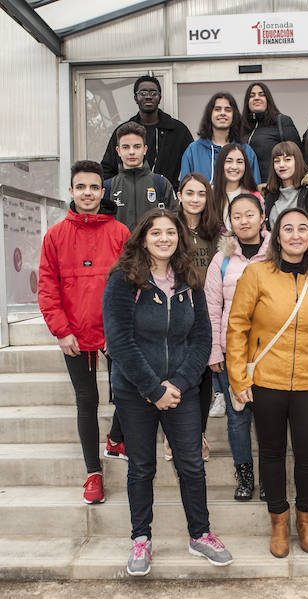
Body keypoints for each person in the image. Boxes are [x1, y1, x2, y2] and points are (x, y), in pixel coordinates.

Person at [103, 208, 233, 576]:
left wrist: (177, 383)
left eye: (171, 232)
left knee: (191, 464)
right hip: (136, 392)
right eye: (156, 232)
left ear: (180, 238)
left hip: (182, 389)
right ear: (143, 238)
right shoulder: (122, 281)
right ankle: (140, 539)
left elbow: (202, 337)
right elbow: (120, 342)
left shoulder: (189, 280)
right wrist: (152, 388)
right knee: (141, 467)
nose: (164, 238)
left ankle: (200, 534)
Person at [226, 207, 308, 558]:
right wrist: (238, 377)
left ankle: (305, 519)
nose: (295, 235)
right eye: (287, 229)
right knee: (272, 454)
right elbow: (237, 327)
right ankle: (279, 520)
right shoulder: (257, 273)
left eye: (302, 229)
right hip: (267, 380)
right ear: (276, 236)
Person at [38, 160, 131, 504]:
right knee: (87, 400)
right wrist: (61, 331)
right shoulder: (56, 236)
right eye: (81, 187)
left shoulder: (120, 233)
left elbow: (132, 282)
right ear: (71, 192)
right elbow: (47, 287)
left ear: (102, 191)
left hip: (114, 332)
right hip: (75, 335)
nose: (88, 193)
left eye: (94, 187)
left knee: (128, 390)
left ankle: (116, 439)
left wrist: (122, 327)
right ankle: (93, 473)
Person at [204, 193, 271, 501]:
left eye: (249, 214)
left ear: (262, 216)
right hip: (234, 351)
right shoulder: (222, 259)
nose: (244, 221)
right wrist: (215, 351)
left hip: (272, 351)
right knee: (237, 416)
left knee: (271, 415)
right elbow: (211, 307)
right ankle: (244, 474)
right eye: (237, 216)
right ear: (229, 222)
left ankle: (271, 476)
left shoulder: (277, 251)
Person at [175, 173, 224, 455]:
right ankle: (173, 436)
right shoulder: (168, 226)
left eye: (201, 194)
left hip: (206, 312)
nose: (195, 199)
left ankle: (198, 436)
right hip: (177, 309)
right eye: (189, 193)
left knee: (204, 378)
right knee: (179, 373)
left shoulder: (217, 232)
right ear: (179, 195)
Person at [100, 75, 194, 190]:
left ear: (160, 97)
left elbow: (192, 166)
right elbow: (107, 169)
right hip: (129, 200)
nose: (148, 97)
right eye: (143, 93)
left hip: (166, 200)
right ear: (135, 98)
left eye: (153, 93)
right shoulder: (123, 132)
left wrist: (178, 193)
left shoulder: (178, 130)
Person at [104, 121, 176, 229]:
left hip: (152, 245)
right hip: (120, 246)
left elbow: (174, 222)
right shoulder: (108, 187)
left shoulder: (161, 184)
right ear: (118, 151)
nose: (131, 152)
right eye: (126, 147)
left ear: (145, 149)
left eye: (137, 146)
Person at [179, 92, 261, 183]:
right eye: (217, 109)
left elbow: (254, 190)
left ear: (234, 115)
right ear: (210, 114)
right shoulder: (193, 151)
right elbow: (185, 189)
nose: (222, 113)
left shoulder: (246, 151)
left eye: (228, 110)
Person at [241, 82, 302, 184]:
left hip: (274, 188)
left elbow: (298, 155)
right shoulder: (242, 128)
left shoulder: (282, 121)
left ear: (268, 100)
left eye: (261, 94)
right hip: (247, 189)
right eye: (251, 96)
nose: (256, 98)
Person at [262, 141, 308, 232]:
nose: (281, 165)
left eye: (287, 159)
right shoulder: (269, 196)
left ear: (297, 161)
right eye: (277, 161)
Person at [211, 142, 262, 231]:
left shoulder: (255, 196)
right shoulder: (209, 194)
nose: (234, 166)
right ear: (220, 164)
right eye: (229, 161)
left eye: (239, 162)